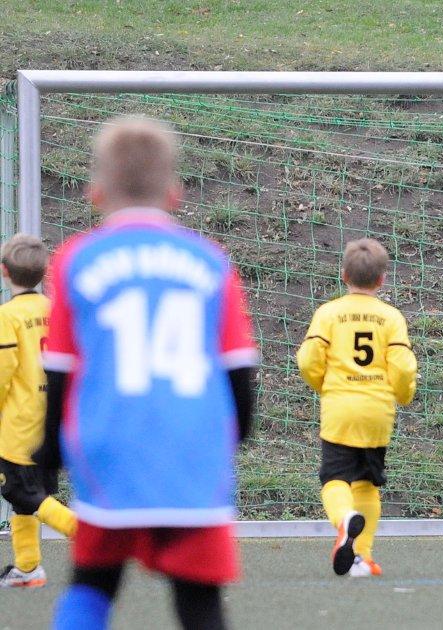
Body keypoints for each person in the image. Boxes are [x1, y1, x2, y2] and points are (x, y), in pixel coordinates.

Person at [35, 116, 258, 629]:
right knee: (200, 601)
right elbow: (239, 370)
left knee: (93, 583)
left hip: (108, 448)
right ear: (175, 192)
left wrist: (49, 453)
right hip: (191, 452)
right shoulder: (210, 263)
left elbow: (60, 370)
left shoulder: (76, 260)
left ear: (95, 192)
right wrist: (233, 437)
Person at [296, 237, 417, 577]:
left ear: (344, 275)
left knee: (334, 478)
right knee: (366, 483)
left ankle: (344, 519)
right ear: (381, 279)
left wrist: (323, 384)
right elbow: (403, 368)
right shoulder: (391, 317)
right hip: (377, 410)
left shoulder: (329, 313)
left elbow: (308, 359)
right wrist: (403, 395)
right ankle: (362, 558)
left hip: (340, 408)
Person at [0, 235, 78, 589]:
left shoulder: (7, 316)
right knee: (30, 497)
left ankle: (88, 534)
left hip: (19, 425)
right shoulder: (54, 310)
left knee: (22, 493)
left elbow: (3, 372)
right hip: (52, 422)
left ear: (5, 272)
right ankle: (28, 567)